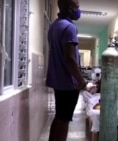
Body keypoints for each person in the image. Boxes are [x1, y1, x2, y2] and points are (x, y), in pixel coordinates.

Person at [45, 0, 86, 141]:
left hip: (58, 80)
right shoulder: (69, 27)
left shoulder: (54, 25)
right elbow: (69, 58)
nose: (79, 10)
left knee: (59, 117)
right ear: (69, 8)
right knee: (64, 120)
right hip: (68, 83)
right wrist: (81, 80)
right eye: (77, 7)